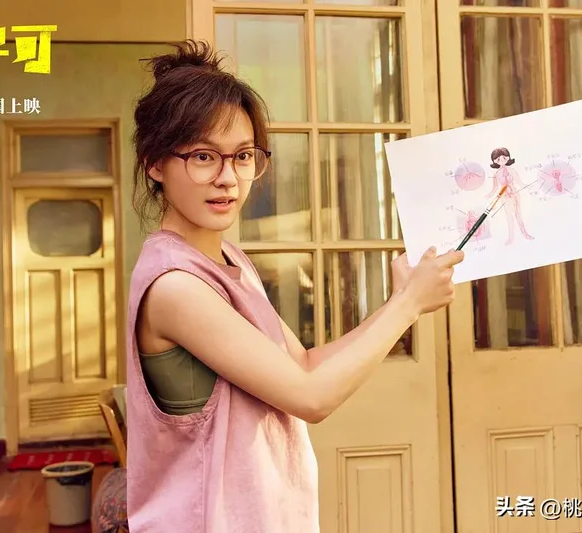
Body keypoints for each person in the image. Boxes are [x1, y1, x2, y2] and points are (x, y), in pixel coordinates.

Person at [125, 39, 464, 533]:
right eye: (203, 156)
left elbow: (302, 364)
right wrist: (409, 305)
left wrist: (399, 298)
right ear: (155, 163)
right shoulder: (175, 286)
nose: (228, 178)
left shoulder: (229, 260)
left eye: (243, 156)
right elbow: (310, 396)